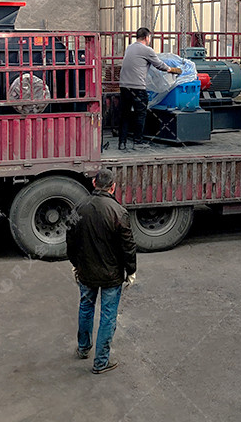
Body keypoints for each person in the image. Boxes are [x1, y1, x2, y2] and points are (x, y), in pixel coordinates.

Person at [66, 168, 137, 374]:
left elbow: (70, 239)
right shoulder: (119, 212)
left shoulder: (79, 208)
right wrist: (131, 271)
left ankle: (83, 348)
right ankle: (100, 362)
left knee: (86, 308)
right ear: (113, 187)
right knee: (108, 315)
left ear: (94, 184)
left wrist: (75, 263)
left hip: (86, 271)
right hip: (111, 275)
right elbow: (128, 246)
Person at [118, 27, 181, 149]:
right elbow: (159, 65)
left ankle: (122, 143)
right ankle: (137, 142)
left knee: (125, 114)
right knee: (140, 114)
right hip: (137, 87)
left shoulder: (129, 48)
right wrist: (171, 69)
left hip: (124, 86)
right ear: (147, 37)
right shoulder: (147, 50)